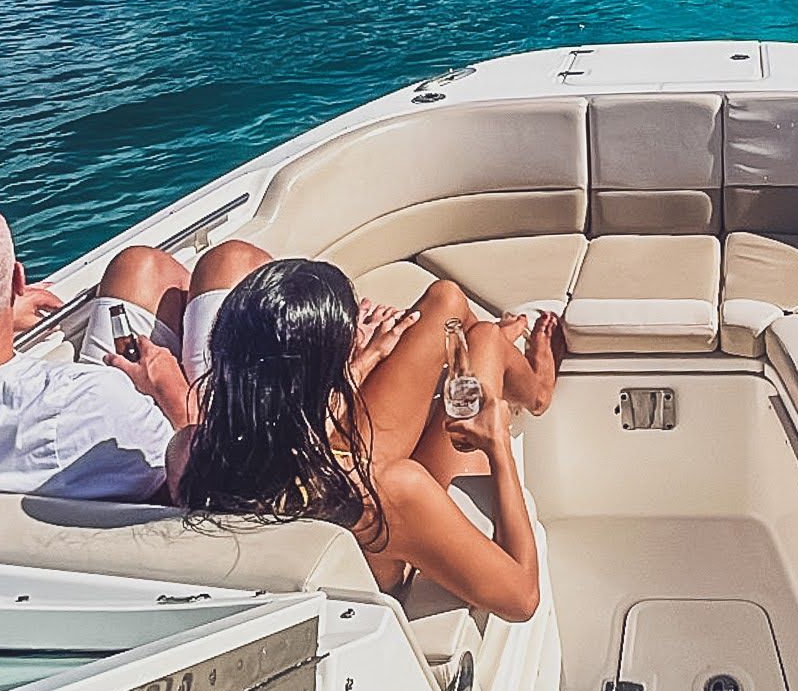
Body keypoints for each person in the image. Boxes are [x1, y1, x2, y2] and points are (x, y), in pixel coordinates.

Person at [167, 257, 563, 622]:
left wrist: (368, 358)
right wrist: (498, 446)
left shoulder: (192, 451)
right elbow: (522, 598)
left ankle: (511, 365)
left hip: (328, 485)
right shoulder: (390, 490)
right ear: (322, 381)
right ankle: (536, 390)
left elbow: (288, 438)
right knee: (485, 344)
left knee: (446, 300)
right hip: (398, 544)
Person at [0, 183, 259, 501]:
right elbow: (216, 481)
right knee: (234, 263)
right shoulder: (87, 402)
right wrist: (174, 392)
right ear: (19, 280)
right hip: (188, 453)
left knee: (139, 265)